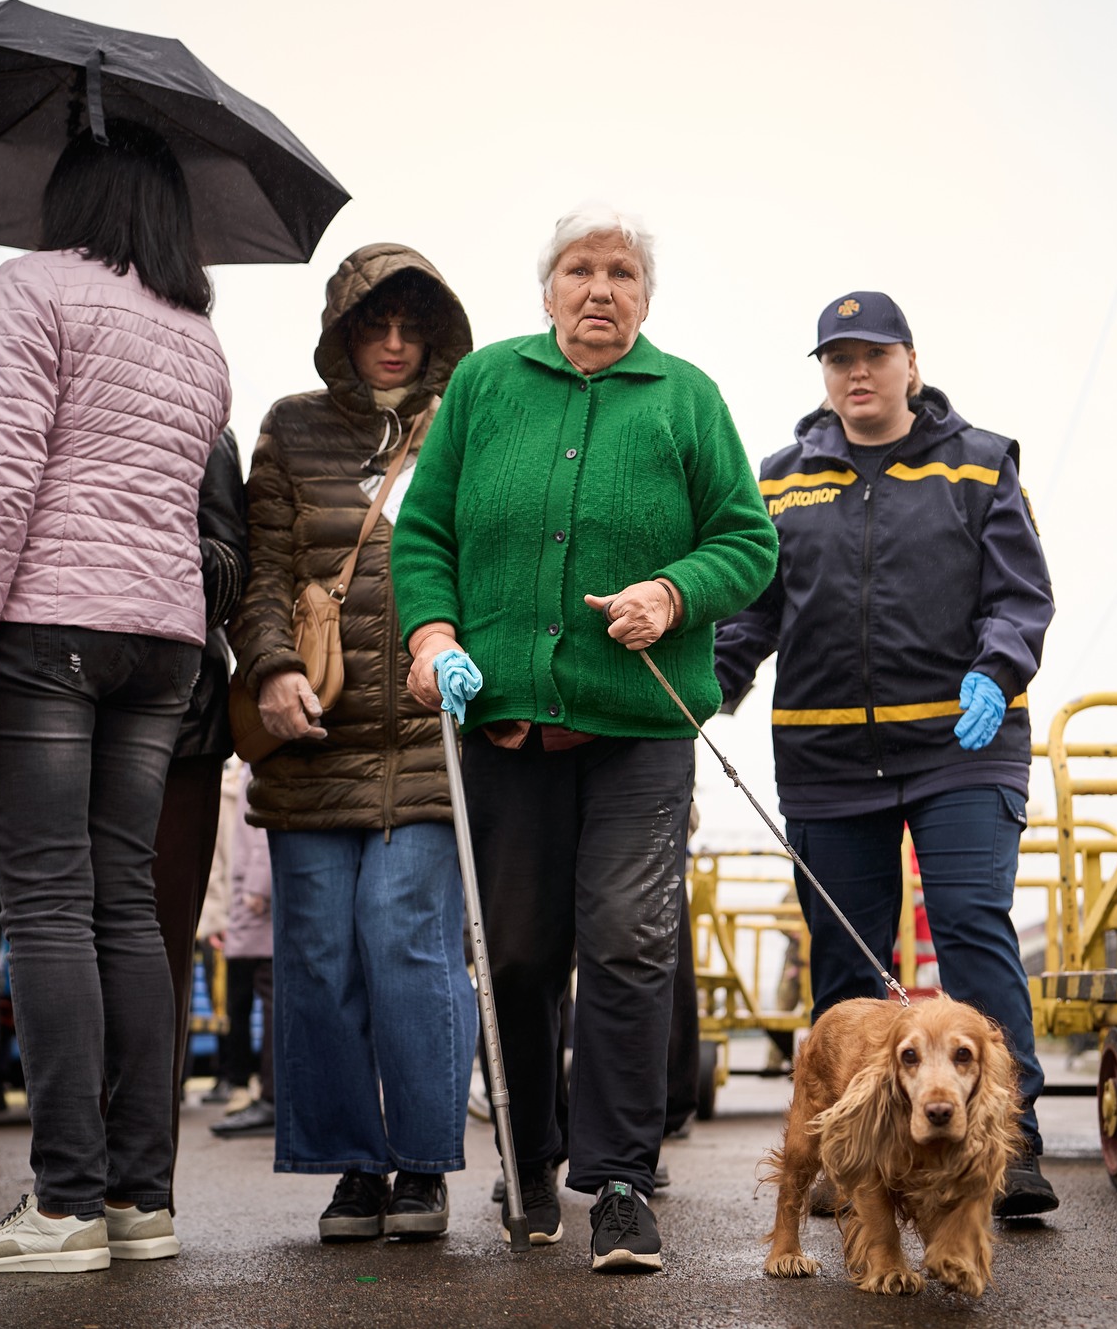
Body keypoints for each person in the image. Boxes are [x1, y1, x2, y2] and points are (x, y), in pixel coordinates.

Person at [391, 206, 777, 1272]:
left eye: (621, 273)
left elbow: (747, 540)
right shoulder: (484, 384)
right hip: (506, 727)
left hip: (636, 734)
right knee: (514, 954)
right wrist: (432, 634)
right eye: (578, 269)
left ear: (645, 296)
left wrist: (672, 592)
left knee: (627, 942)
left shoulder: (685, 397)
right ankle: (526, 1161)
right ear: (548, 289)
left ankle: (618, 1182)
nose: (599, 288)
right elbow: (424, 532)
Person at [0, 117, 232, 1273]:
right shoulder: (196, 332)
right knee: (124, 911)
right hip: (162, 644)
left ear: (71, 199)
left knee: (46, 905)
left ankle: (63, 1206)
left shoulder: (31, 288)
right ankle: (138, 1201)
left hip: (47, 628)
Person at [712, 290, 1058, 1217]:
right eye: (838, 359)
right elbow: (751, 613)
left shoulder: (980, 464)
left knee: (972, 927)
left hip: (960, 745)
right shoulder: (780, 481)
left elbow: (1020, 595)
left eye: (873, 354)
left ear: (911, 362)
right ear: (825, 376)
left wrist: (997, 668)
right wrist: (709, 683)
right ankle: (852, 1151)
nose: (856, 372)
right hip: (828, 757)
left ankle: (1008, 1145)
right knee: (846, 964)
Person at [230, 244, 477, 1241]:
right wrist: (270, 667)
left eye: (412, 327)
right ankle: (352, 1165)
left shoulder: (465, 423)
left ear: (436, 334)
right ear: (342, 333)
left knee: (406, 941)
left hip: (424, 741)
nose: (394, 343)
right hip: (313, 736)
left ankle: (422, 1163)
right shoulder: (291, 426)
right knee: (318, 957)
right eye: (375, 325)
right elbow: (260, 572)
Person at [146, 429, 247, 1199]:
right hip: (59, 695)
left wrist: (131, 545)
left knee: (160, 946)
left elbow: (230, 571)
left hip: (179, 711)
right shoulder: (44, 398)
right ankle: (71, 1179)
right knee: (61, 934)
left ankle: (142, 1183)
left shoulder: (202, 423)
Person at [208, 765, 274, 1141]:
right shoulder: (241, 774)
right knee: (246, 1000)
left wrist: (256, 887)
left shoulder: (253, 768)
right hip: (244, 904)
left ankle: (271, 1094)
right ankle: (256, 1089)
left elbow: (259, 834)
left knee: (268, 995)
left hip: (254, 903)